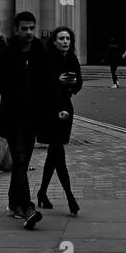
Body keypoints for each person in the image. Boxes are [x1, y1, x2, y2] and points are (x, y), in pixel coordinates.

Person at [0, 11, 47, 229]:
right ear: (16, 30)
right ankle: (29, 207)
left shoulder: (41, 51)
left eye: (32, 28)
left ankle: (14, 203)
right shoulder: (4, 55)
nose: (29, 32)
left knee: (22, 162)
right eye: (25, 28)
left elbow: (46, 84)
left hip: (33, 116)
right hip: (11, 116)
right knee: (20, 159)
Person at [37, 27, 82, 215]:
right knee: (58, 153)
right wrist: (57, 79)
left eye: (68, 38)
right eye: (61, 38)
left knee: (53, 155)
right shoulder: (47, 59)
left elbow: (79, 82)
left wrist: (73, 83)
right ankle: (70, 197)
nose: (65, 41)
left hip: (66, 109)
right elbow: (40, 84)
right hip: (50, 110)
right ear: (54, 41)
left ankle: (42, 193)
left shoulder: (72, 58)